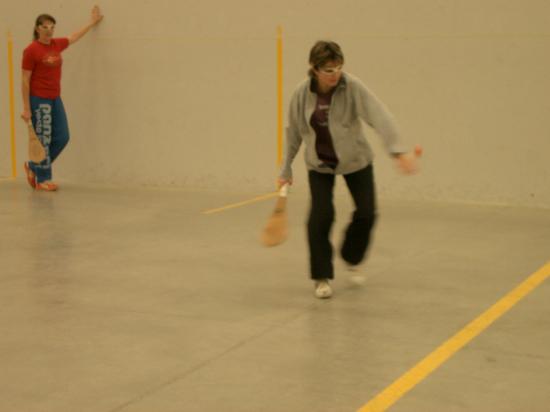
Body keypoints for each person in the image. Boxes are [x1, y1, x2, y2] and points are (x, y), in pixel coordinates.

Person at [278, 40, 419, 299]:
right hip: (319, 165)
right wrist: (285, 168)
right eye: (329, 70)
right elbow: (294, 133)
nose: (335, 74)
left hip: (356, 161)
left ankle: (351, 257)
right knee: (321, 217)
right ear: (314, 69)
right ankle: (321, 275)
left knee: (367, 213)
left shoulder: (352, 86)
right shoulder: (301, 95)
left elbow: (380, 116)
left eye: (339, 67)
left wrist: (398, 151)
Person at [21, 6, 104, 191]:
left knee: (62, 136)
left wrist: (92, 22)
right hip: (39, 99)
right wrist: (27, 108)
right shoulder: (31, 50)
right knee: (43, 138)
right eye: (45, 27)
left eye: (52, 27)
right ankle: (42, 180)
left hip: (55, 98)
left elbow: (73, 37)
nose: (49, 30)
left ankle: (34, 167)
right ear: (37, 29)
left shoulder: (56, 45)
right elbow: (25, 80)